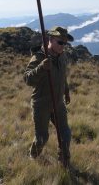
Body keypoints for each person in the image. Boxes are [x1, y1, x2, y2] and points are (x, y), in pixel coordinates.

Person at [24, 26, 74, 166]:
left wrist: (66, 90)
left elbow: (62, 75)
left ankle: (64, 160)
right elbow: (28, 79)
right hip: (42, 104)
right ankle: (33, 156)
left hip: (58, 103)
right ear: (50, 40)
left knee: (65, 134)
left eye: (65, 43)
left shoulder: (62, 56)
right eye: (60, 42)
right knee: (42, 138)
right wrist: (41, 68)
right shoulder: (39, 57)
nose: (63, 46)